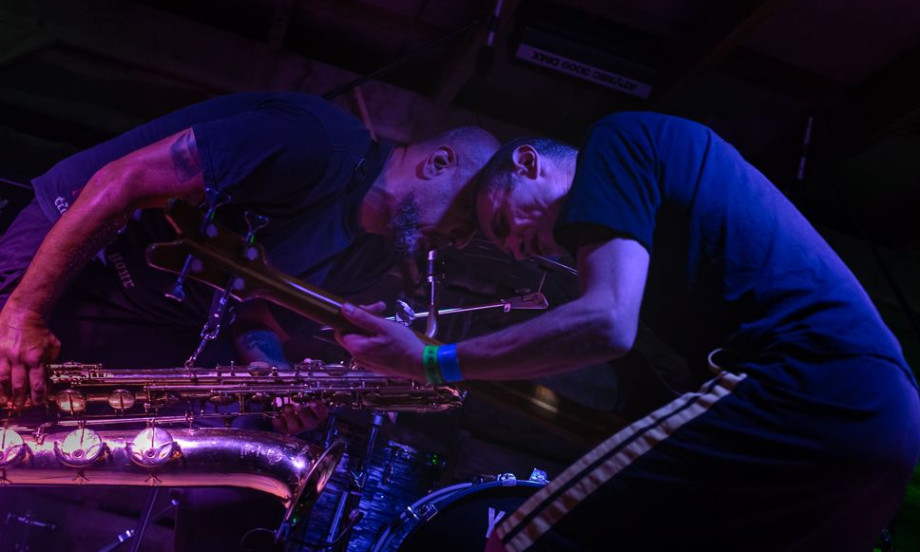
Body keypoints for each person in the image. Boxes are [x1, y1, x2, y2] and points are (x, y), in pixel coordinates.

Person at [335, 111, 920, 551]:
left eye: (502, 221)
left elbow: (605, 322)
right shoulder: (662, 233)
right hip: (887, 424)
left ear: (528, 164)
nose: (515, 249)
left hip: (808, 385)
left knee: (517, 541)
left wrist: (430, 361)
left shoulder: (616, 142)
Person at [0, 91, 499, 550]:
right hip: (76, 250)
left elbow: (251, 308)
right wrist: (25, 312)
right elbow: (121, 182)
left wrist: (277, 378)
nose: (459, 241)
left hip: (159, 315)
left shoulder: (371, 257)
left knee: (239, 478)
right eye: (469, 218)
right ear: (438, 163)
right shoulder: (313, 144)